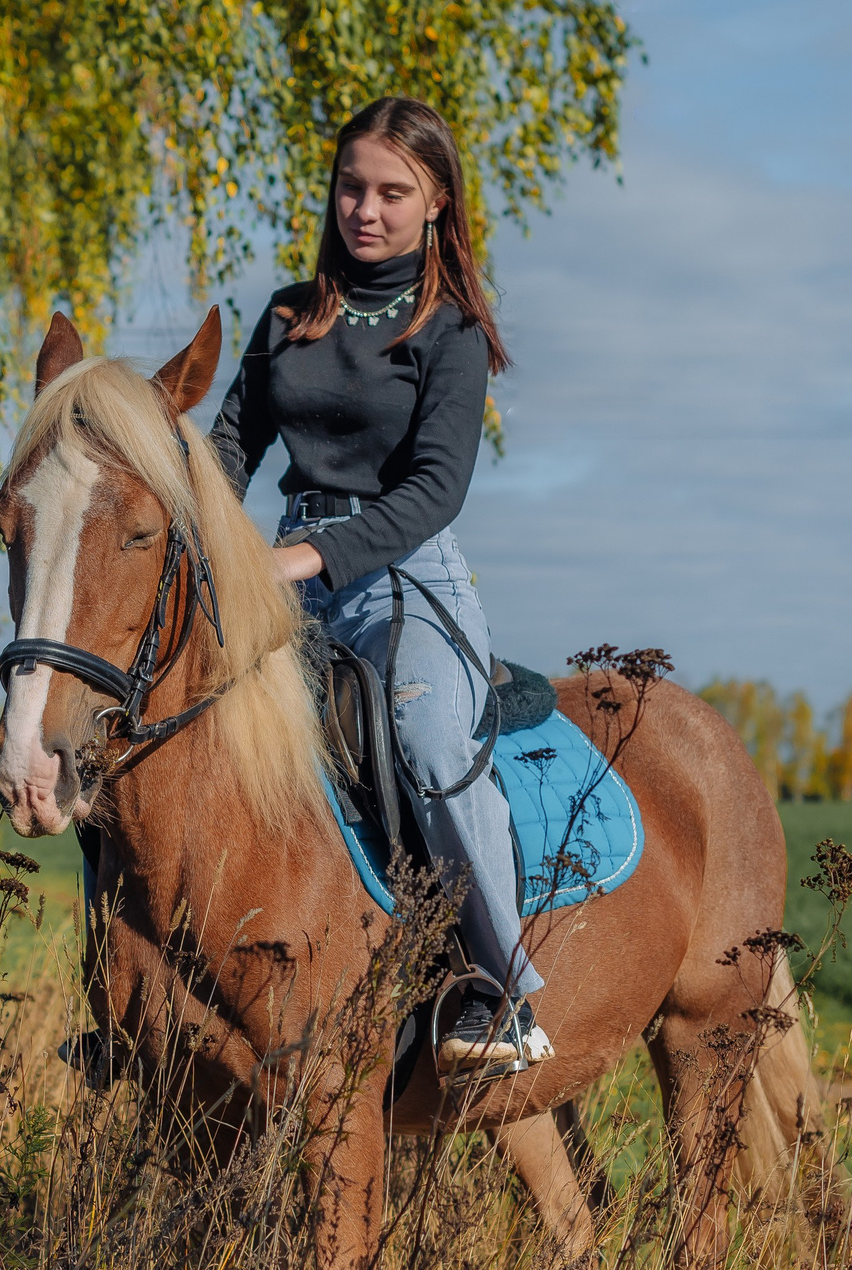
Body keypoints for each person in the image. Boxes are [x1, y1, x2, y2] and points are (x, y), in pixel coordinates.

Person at [208, 96, 549, 1073]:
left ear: (436, 200)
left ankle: (496, 991)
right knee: (150, 723)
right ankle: (131, 993)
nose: (367, 208)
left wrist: (311, 558)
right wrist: (203, 543)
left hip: (405, 572)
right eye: (352, 187)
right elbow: (228, 453)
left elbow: (437, 488)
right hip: (276, 574)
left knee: (431, 738)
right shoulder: (285, 316)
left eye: (393, 192)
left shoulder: (449, 333)